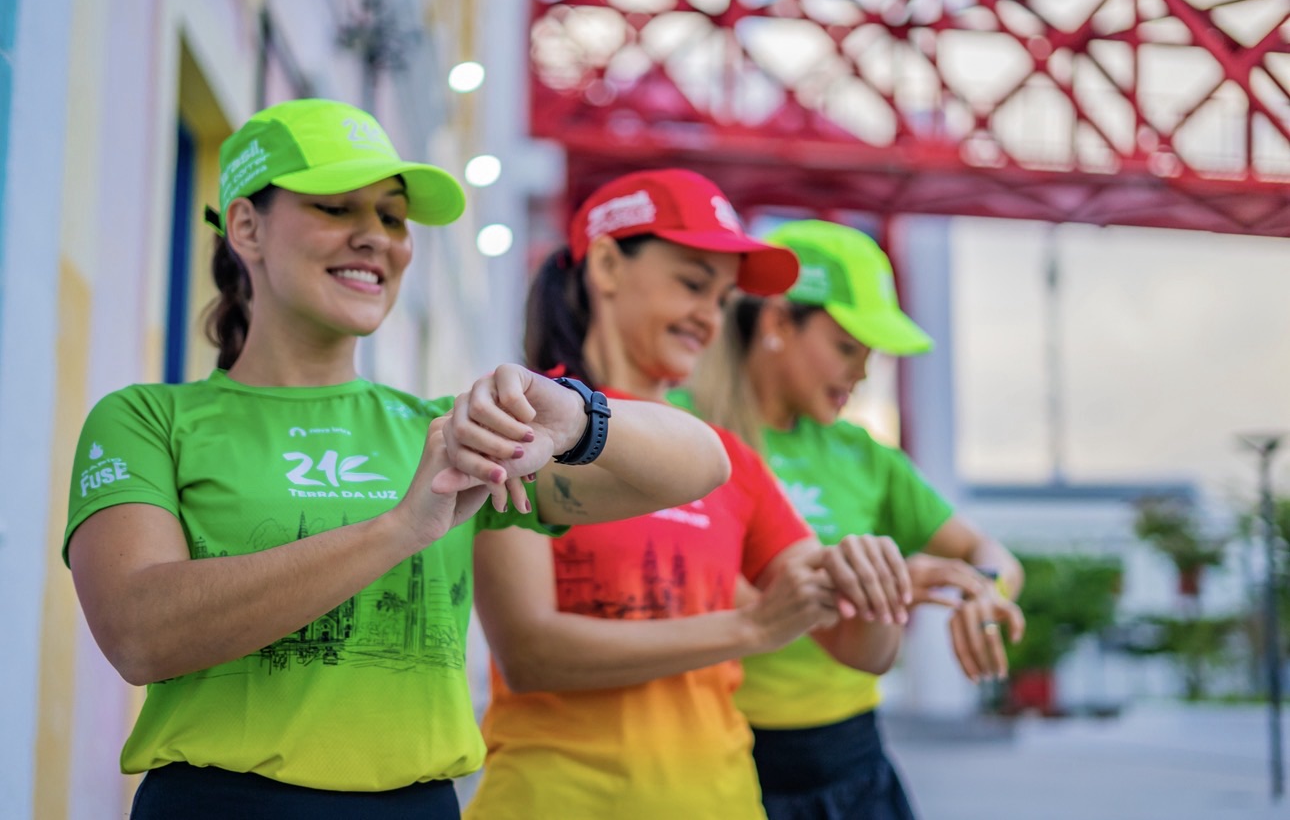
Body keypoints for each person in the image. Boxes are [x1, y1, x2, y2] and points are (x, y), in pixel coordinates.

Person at [63, 99, 733, 819]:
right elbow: (137, 633)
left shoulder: (442, 430)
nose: (374, 238)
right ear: (247, 227)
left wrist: (578, 414)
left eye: (391, 216)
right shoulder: (147, 420)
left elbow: (701, 464)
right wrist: (400, 527)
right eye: (336, 207)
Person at [463, 170, 913, 820]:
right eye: (694, 283)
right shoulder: (520, 423)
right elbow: (531, 652)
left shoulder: (728, 459)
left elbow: (860, 650)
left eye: (724, 296)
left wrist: (874, 584)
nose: (711, 315)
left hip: (720, 798)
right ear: (609, 265)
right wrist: (749, 626)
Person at [683, 218, 1026, 820]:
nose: (862, 373)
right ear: (778, 321)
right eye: (846, 347)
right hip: (718, 752)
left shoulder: (865, 455)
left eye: (869, 355)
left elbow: (986, 553)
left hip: (853, 757)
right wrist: (875, 583)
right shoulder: (684, 436)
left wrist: (986, 594)